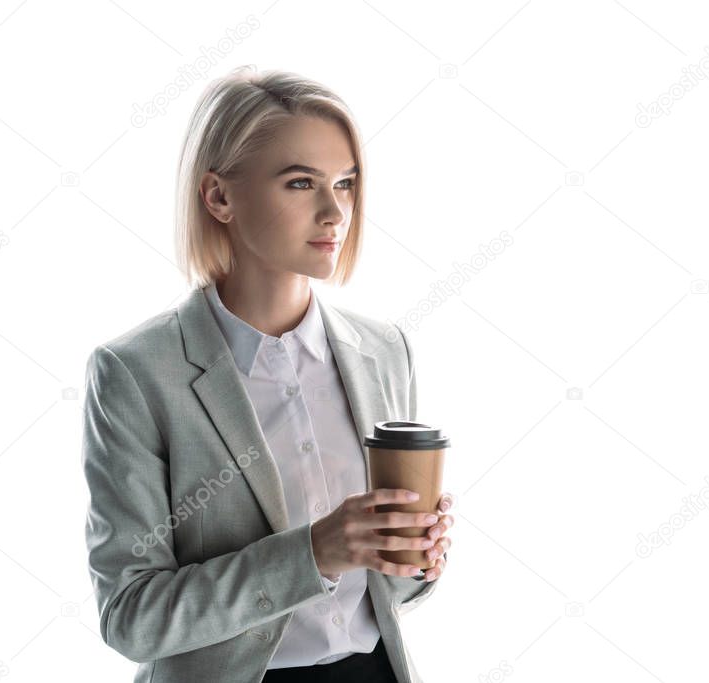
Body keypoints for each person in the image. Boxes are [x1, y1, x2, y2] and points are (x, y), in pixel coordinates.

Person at [81, 65, 454, 683]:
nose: (336, 211)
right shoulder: (136, 373)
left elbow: (393, 595)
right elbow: (132, 618)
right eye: (301, 183)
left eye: (345, 183)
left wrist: (416, 561)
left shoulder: (385, 350)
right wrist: (313, 553)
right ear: (219, 197)